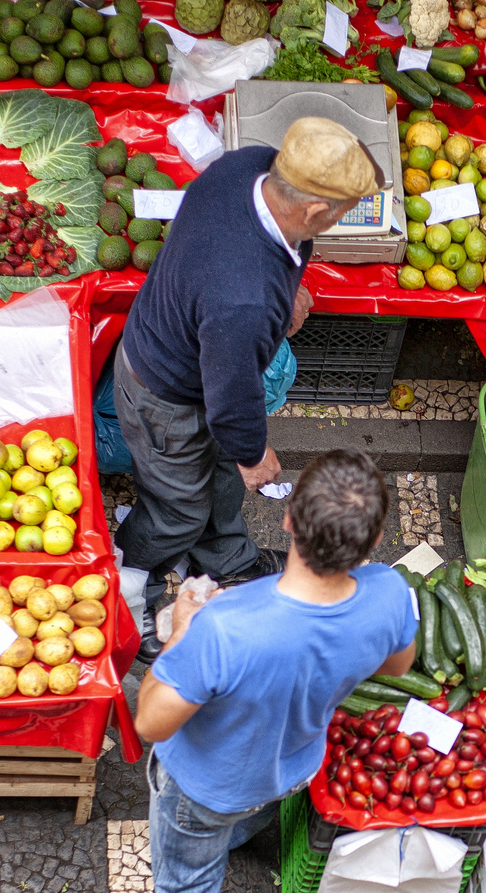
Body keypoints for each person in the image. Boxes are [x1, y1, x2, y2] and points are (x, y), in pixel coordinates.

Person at [134, 449, 417, 893]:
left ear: (287, 521)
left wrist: (180, 633)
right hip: (292, 765)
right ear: (372, 540)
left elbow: (151, 720)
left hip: (205, 787)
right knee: (249, 812)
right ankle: (235, 838)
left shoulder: (227, 627)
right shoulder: (389, 593)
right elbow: (398, 665)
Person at [113, 117, 385, 661]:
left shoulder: (245, 168)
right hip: (167, 393)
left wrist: (286, 294)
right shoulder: (244, 299)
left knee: (216, 483)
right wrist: (254, 453)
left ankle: (227, 559)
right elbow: (231, 394)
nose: (341, 219)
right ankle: (127, 588)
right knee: (178, 508)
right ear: (313, 211)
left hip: (188, 349)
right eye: (341, 211)